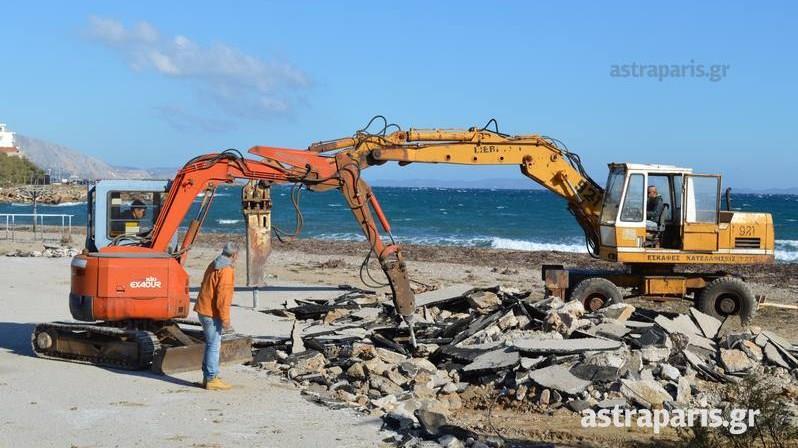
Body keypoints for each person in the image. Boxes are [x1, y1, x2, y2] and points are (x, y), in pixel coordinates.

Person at [194, 242, 238, 390]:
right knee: (214, 345)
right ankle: (212, 378)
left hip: (203, 308)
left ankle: (208, 377)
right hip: (211, 312)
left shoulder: (213, 264)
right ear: (234, 255)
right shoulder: (226, 270)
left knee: (210, 344)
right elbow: (223, 298)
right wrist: (225, 319)